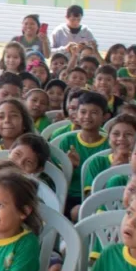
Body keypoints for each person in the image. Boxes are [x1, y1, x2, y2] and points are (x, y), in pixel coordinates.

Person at [54, 91, 111, 219]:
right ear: (77, 115)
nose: (87, 116)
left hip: (99, 196)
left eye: (94, 112)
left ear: (105, 116)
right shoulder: (68, 141)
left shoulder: (109, 144)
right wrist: (69, 167)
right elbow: (58, 178)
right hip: (71, 195)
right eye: (83, 112)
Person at [82, 114, 136, 196]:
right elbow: (90, 197)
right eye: (116, 134)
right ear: (108, 138)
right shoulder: (98, 162)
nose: (121, 138)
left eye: (128, 134)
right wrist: (110, 172)